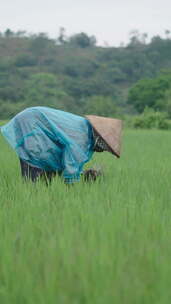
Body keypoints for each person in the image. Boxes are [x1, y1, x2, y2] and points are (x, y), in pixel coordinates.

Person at [1, 106, 122, 184]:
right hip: (32, 123)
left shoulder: (84, 128)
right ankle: (31, 194)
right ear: (99, 137)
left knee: (46, 164)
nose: (102, 149)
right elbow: (70, 167)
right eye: (104, 146)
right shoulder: (82, 138)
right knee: (37, 160)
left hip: (31, 119)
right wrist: (74, 189)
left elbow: (64, 162)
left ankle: (35, 192)